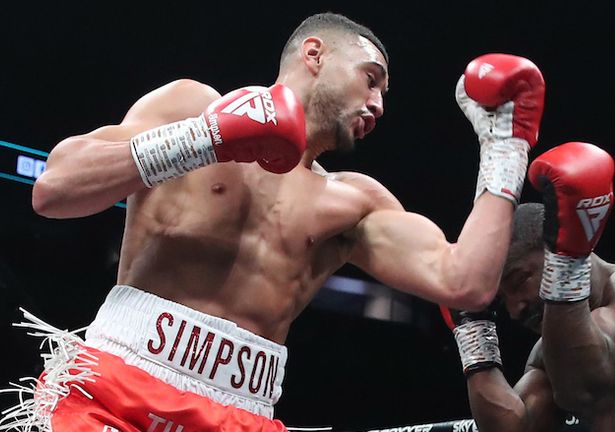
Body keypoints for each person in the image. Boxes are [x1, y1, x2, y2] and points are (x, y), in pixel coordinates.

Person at [1, 11, 546, 432]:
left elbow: (465, 282)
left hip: (239, 413)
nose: (379, 103)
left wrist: (505, 149)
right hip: (114, 386)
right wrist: (206, 137)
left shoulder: (353, 203)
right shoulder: (194, 106)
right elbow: (55, 189)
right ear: (314, 54)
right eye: (371, 79)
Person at [442, 142, 615, 431]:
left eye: (519, 280)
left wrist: (567, 262)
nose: (514, 310)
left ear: (552, 250)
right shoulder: (550, 352)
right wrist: (473, 335)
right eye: (501, 300)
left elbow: (585, 385)